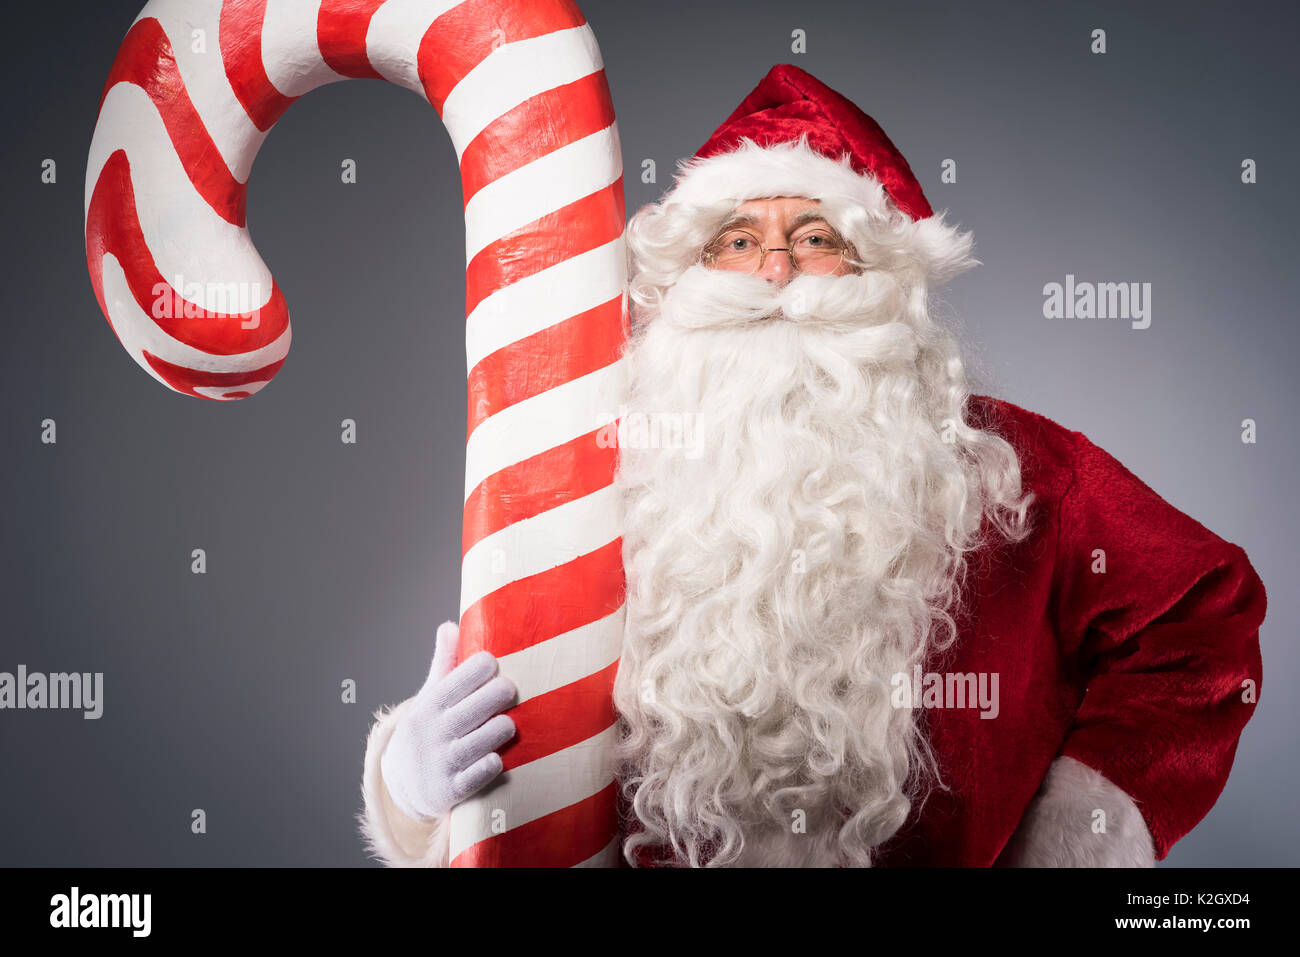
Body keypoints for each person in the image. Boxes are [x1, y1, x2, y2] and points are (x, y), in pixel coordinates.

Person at [357, 64, 1267, 868]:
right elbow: (518, 733)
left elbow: (1202, 616)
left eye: (818, 236)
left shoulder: (1012, 470)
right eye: (738, 241)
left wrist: (1086, 825)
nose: (778, 267)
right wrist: (411, 784)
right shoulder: (600, 474)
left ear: (880, 273)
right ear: (686, 281)